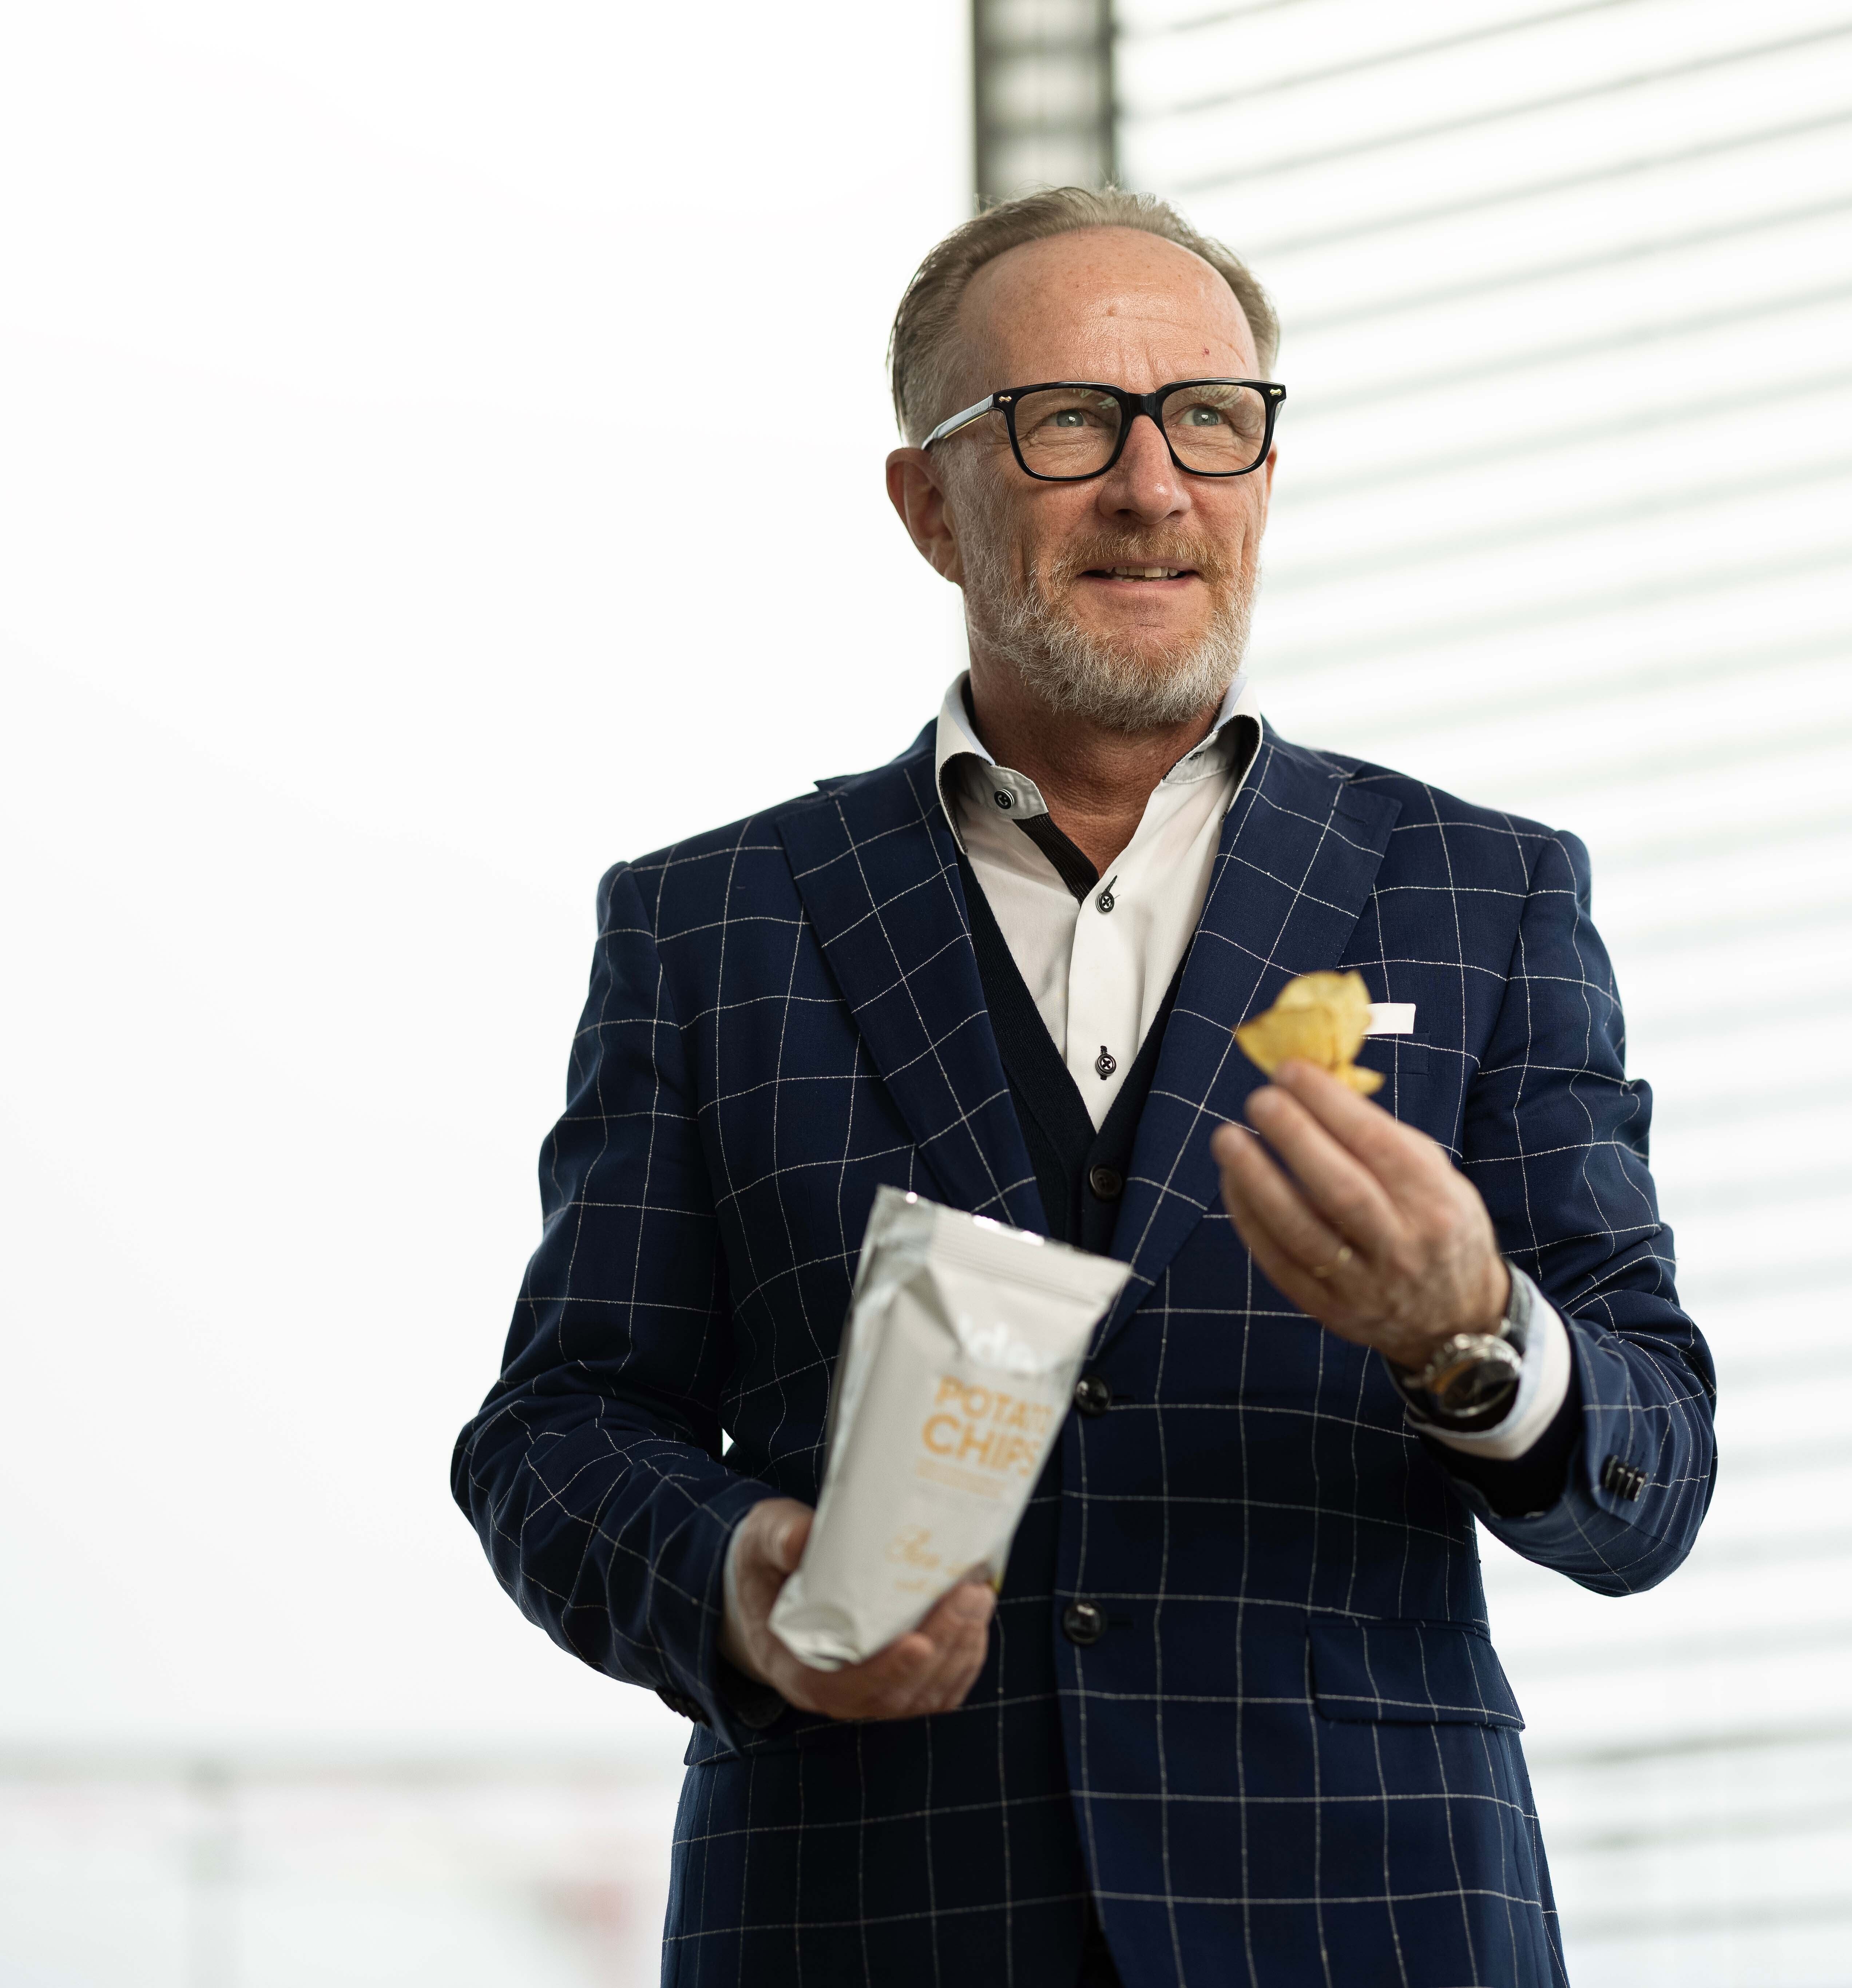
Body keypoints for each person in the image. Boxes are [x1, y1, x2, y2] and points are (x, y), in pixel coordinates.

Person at [451, 187, 1715, 1988]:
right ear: (928, 506)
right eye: (1067, 425)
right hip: (863, 1917)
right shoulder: (707, 923)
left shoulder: (1483, 891)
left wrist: (1474, 1336)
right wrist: (751, 1579)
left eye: (1211, 417)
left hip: (1374, 1923)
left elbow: (1652, 1472)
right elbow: (555, 1429)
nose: (1152, 485)